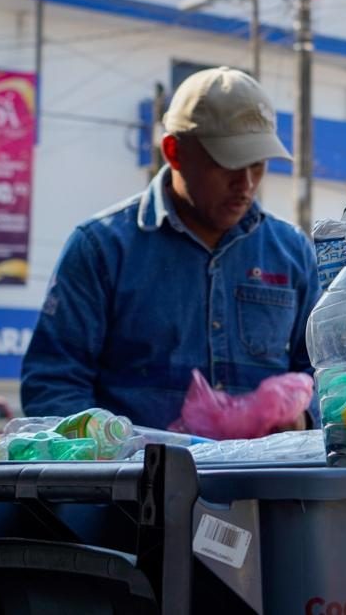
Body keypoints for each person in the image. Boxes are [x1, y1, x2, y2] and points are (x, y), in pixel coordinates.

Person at [22, 66, 320, 430]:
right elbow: (52, 385)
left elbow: (325, 371)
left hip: (265, 486)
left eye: (257, 165)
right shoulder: (101, 249)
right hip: (139, 484)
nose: (245, 184)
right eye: (228, 163)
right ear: (174, 152)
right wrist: (116, 453)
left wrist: (304, 417)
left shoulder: (292, 252)